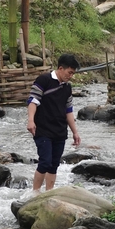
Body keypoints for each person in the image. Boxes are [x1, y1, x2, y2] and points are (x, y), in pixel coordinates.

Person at [27, 53, 81, 193]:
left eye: (73, 74)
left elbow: (68, 111)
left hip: (60, 130)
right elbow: (33, 101)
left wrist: (75, 132)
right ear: (61, 68)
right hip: (43, 129)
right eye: (69, 72)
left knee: (54, 164)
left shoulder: (67, 88)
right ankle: (35, 193)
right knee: (45, 162)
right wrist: (31, 120)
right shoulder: (43, 80)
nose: (70, 76)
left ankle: (49, 193)